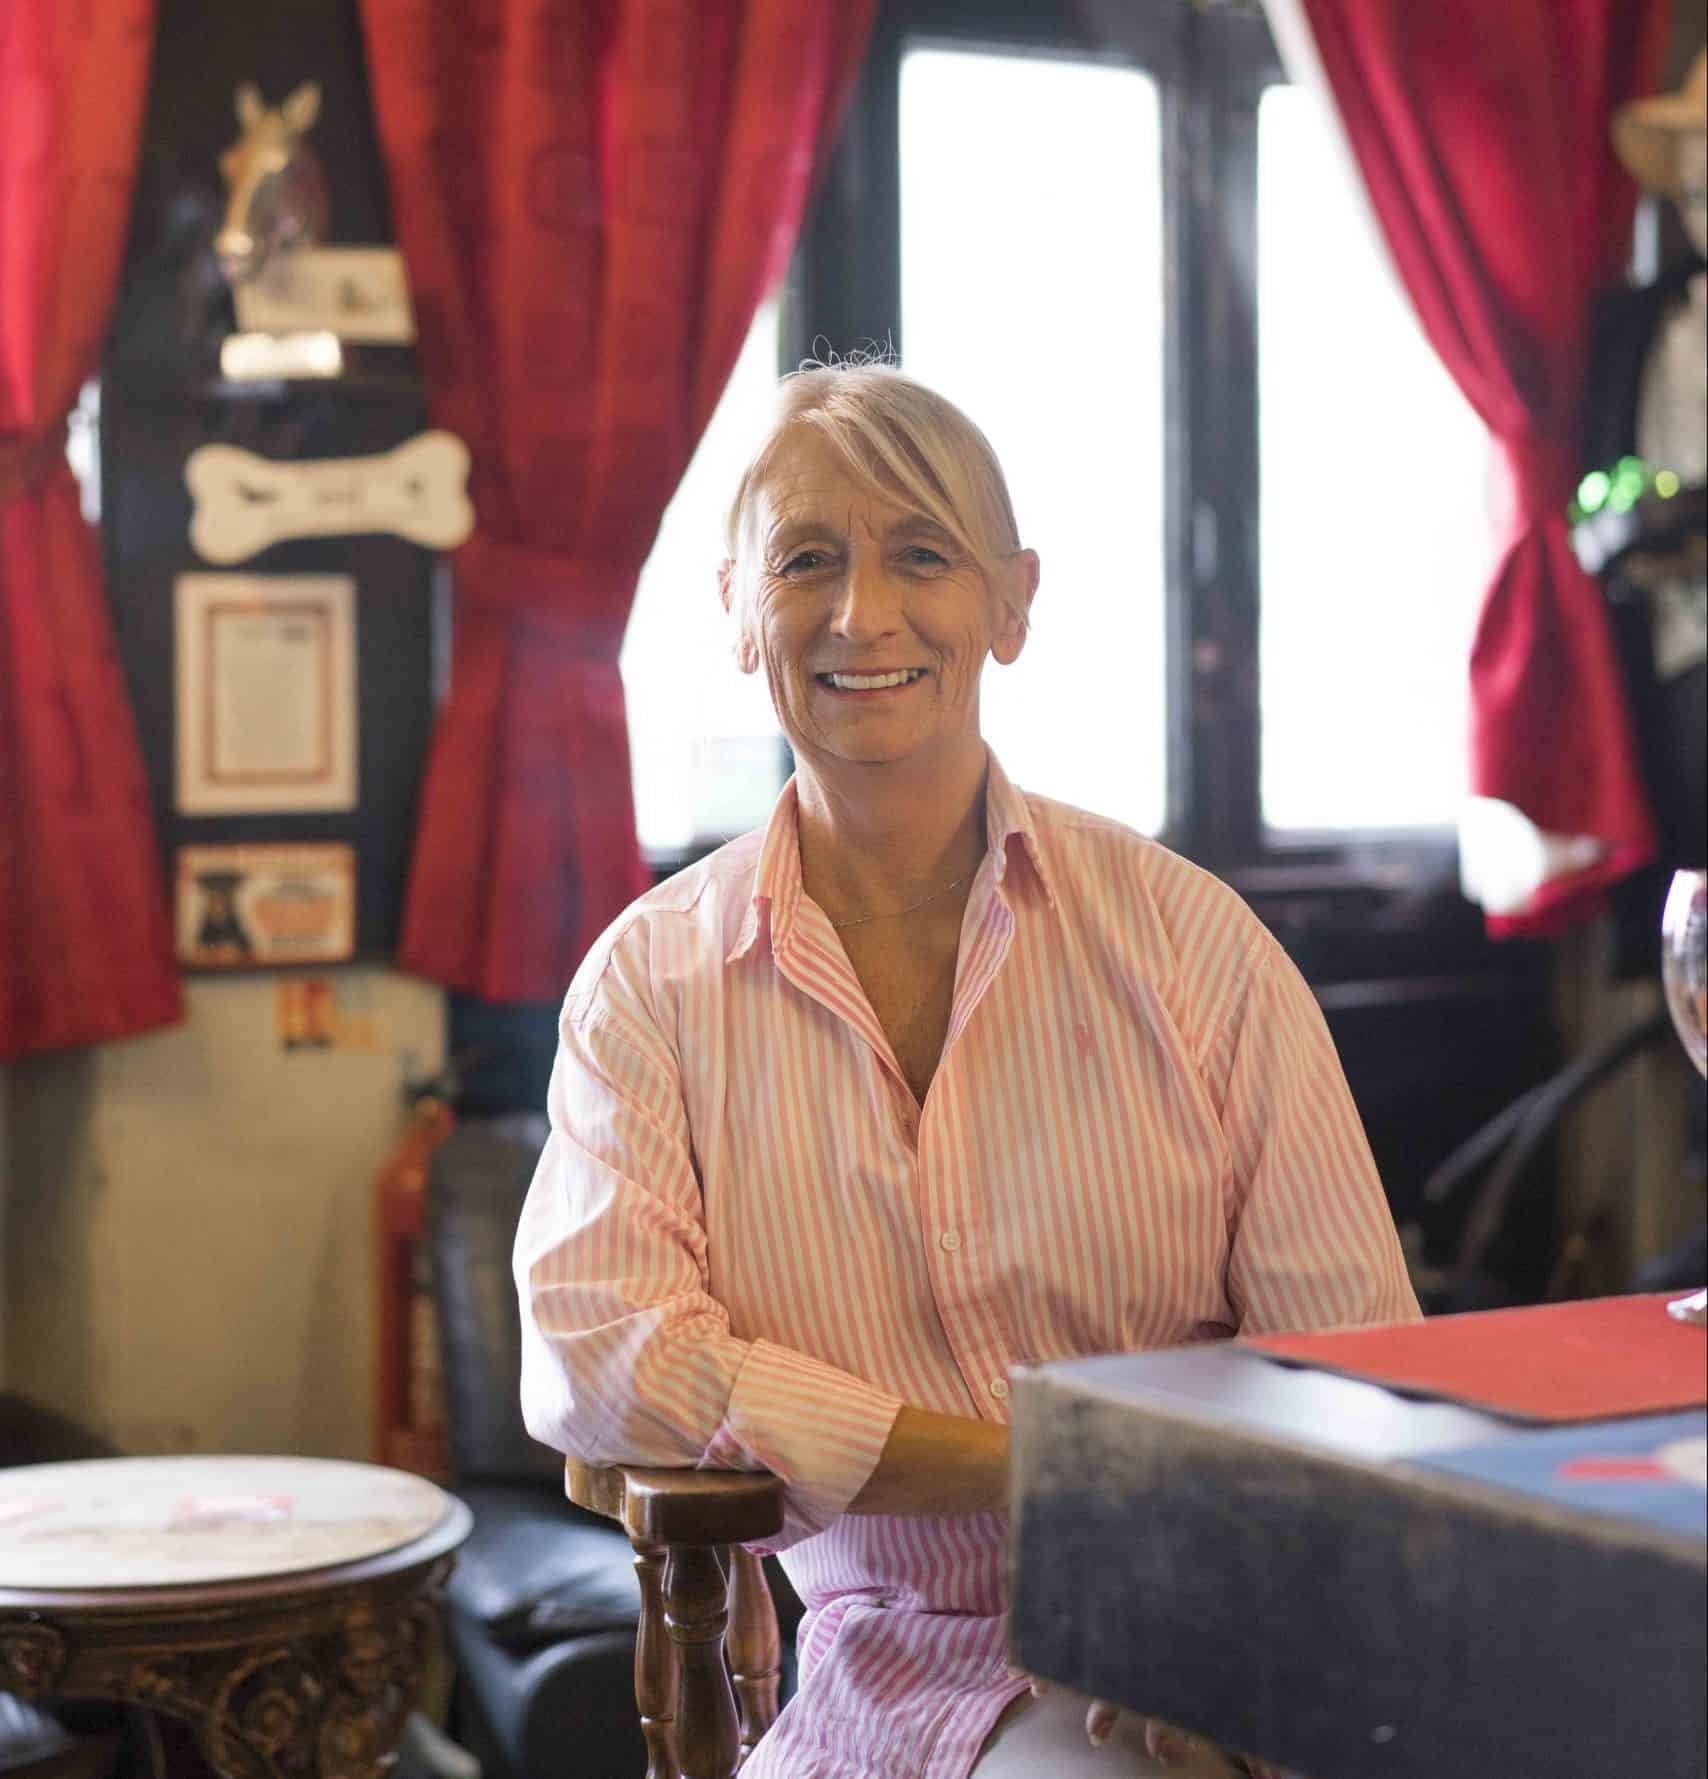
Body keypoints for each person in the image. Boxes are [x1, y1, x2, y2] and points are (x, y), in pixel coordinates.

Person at [515, 363, 1420, 1779]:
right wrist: (1042, 1466)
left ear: (1012, 600)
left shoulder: (1194, 950)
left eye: (920, 555)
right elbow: (597, 1354)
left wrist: (1234, 1628)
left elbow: (1355, 1376)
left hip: (1208, 1611)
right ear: (741, 615)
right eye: (807, 559)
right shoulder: (651, 985)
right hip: (878, 1666)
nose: (861, 613)